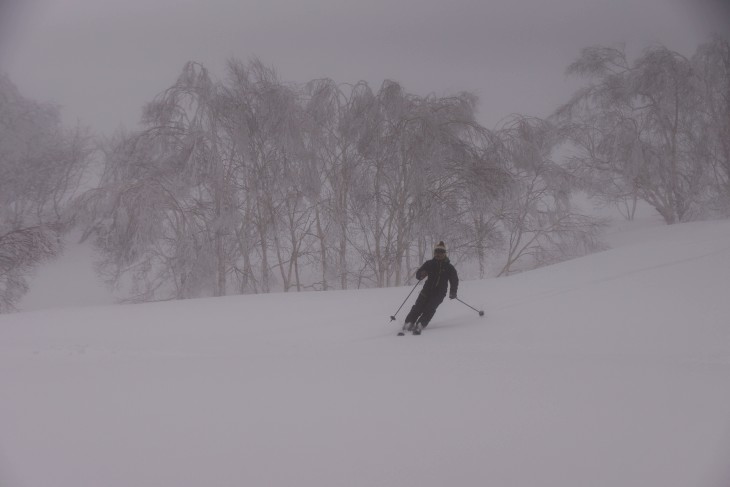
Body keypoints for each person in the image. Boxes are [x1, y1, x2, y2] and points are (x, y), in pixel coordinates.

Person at [402, 241, 459, 335]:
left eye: (441, 252)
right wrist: (421, 274)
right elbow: (418, 274)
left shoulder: (449, 267)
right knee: (418, 307)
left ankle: (420, 324)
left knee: (430, 308)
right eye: (437, 251)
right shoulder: (429, 264)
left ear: (444, 253)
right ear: (434, 252)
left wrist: (453, 292)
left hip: (439, 293)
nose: (438, 254)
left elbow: (454, 281)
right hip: (426, 290)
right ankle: (408, 323)